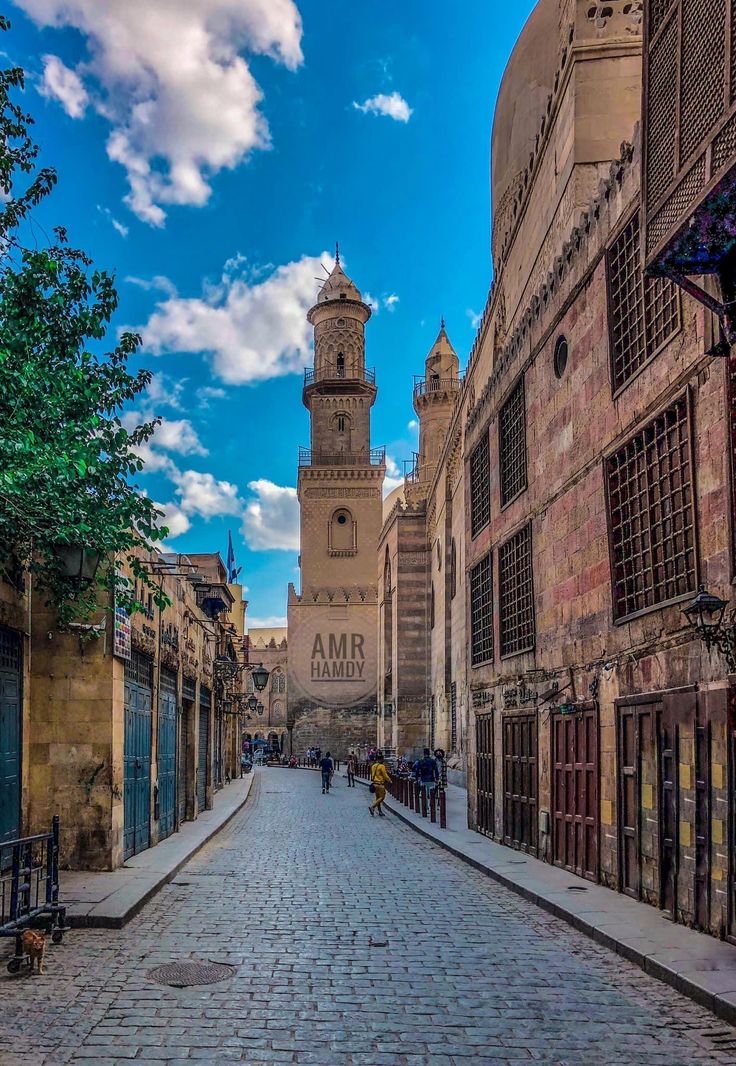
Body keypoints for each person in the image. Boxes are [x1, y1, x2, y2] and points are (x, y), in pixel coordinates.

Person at [369, 752, 392, 817]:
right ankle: (372, 807)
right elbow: (385, 775)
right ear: (381, 759)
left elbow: (372, 774)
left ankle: (380, 812)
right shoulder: (382, 766)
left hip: (374, 784)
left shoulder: (373, 766)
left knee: (377, 798)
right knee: (382, 797)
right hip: (380, 784)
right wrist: (390, 781)